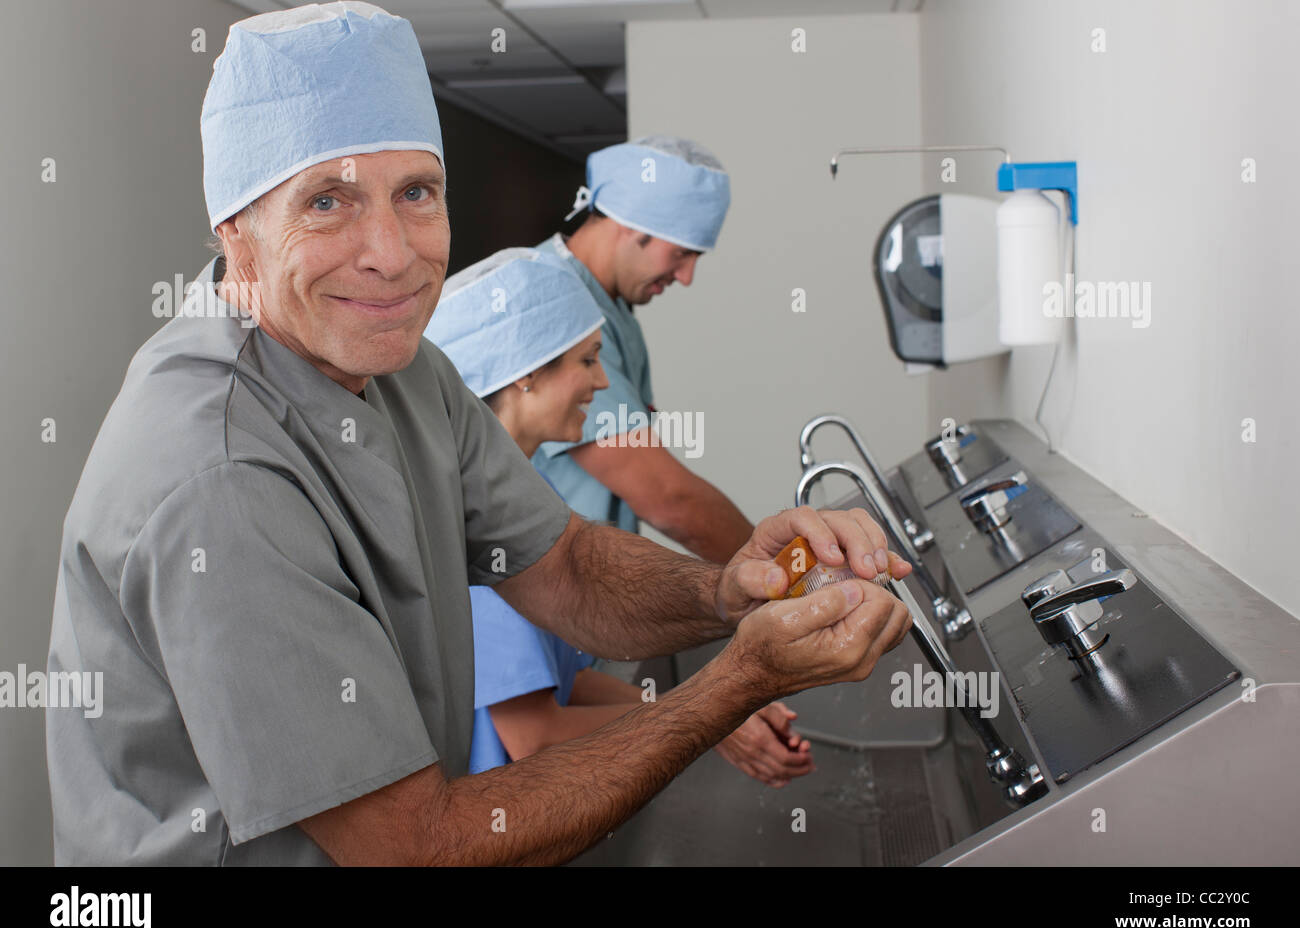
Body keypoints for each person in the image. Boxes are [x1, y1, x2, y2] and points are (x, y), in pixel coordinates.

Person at [45, 1, 912, 866]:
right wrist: (738, 684)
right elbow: (410, 850)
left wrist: (730, 589)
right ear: (235, 231)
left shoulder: (404, 372)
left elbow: (563, 563)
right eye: (328, 201)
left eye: (416, 193)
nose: (391, 252)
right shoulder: (219, 475)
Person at [428, 249, 813, 787]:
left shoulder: (526, 498)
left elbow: (568, 684)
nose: (604, 382)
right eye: (588, 360)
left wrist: (719, 708)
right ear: (526, 375)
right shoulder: (476, 526)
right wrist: (715, 716)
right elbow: (533, 735)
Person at [531, 137, 753, 563]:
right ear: (630, 227)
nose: (686, 276)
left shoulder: (614, 317)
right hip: (530, 599)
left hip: (587, 583)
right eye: (682, 253)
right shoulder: (556, 303)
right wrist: (791, 573)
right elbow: (668, 499)